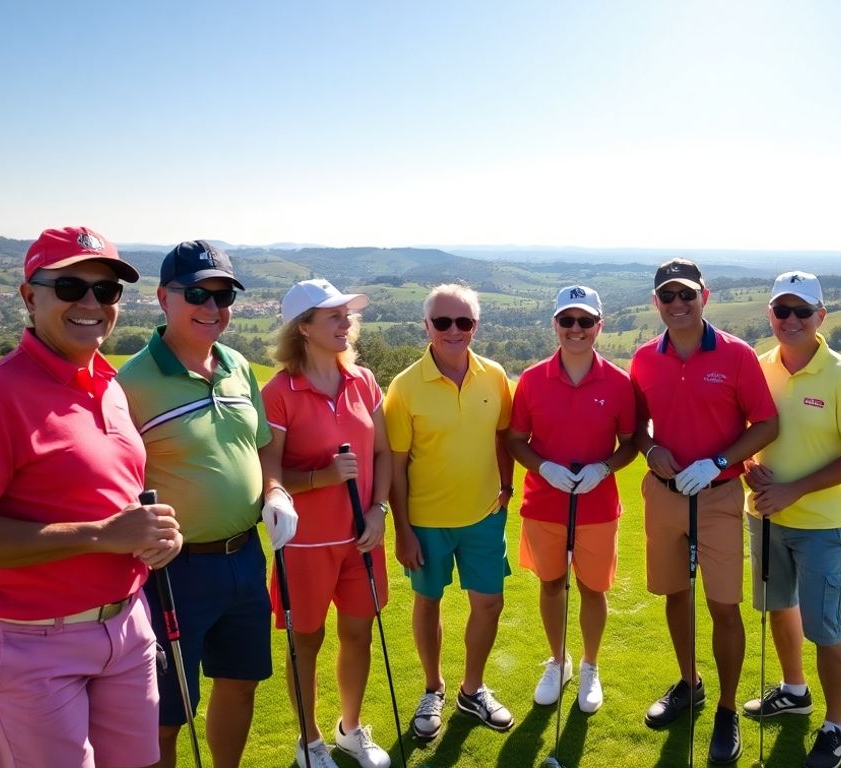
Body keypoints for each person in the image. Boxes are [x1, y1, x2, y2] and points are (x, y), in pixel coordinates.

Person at [0, 226, 183, 768]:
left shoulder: (109, 385)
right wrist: (103, 536)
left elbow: (109, 497)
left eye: (106, 291)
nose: (90, 303)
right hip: (29, 641)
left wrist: (154, 535)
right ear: (30, 296)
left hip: (126, 625)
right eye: (70, 287)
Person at [117, 240, 295, 768]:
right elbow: (113, 478)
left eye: (222, 295)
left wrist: (276, 490)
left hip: (244, 557)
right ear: (163, 298)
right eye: (197, 293)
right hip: (175, 571)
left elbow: (262, 445)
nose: (212, 307)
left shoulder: (237, 365)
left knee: (240, 686)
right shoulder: (130, 383)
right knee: (167, 715)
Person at [630, 259, 779, 765]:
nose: (677, 305)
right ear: (656, 303)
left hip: (716, 494)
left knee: (722, 604)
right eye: (667, 297)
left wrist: (719, 460)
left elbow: (765, 424)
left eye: (686, 295)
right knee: (674, 593)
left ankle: (726, 707)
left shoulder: (737, 355)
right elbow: (636, 429)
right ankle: (689, 683)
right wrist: (651, 452)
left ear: (704, 297)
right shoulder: (645, 359)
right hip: (665, 493)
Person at [741, 271, 841, 768]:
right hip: (766, 517)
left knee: (825, 628)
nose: (791, 320)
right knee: (779, 608)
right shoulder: (758, 367)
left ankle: (835, 726)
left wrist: (793, 489)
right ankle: (794, 690)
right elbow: (746, 436)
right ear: (771, 316)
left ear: (822, 316)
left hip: (820, 522)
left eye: (802, 311)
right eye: (782, 311)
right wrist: (749, 472)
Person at [259, 278, 393, 768]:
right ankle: (309, 741)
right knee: (306, 643)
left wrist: (380, 509)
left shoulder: (364, 380)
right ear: (304, 327)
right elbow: (268, 472)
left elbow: (381, 452)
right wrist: (319, 477)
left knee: (359, 634)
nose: (346, 322)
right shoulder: (279, 392)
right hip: (305, 544)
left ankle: (350, 730)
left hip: (362, 538)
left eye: (347, 315)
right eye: (333, 315)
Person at [386, 283, 516, 739]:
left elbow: (503, 437)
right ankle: (433, 687)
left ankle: (472, 689)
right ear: (427, 326)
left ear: (475, 326)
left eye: (463, 322)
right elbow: (396, 468)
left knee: (489, 603)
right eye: (442, 322)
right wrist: (402, 530)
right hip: (425, 522)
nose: (453, 330)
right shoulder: (403, 387)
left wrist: (507, 485)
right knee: (429, 601)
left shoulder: (495, 375)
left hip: (484, 516)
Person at [506, 285, 638, 714]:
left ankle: (589, 666)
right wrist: (543, 467)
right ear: (555, 325)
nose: (576, 329)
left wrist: (605, 467)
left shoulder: (619, 382)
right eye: (567, 321)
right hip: (544, 503)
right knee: (550, 583)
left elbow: (631, 442)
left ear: (599, 325)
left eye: (585, 321)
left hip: (597, 506)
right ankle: (558, 660)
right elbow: (515, 439)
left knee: (592, 588)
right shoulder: (530, 379)